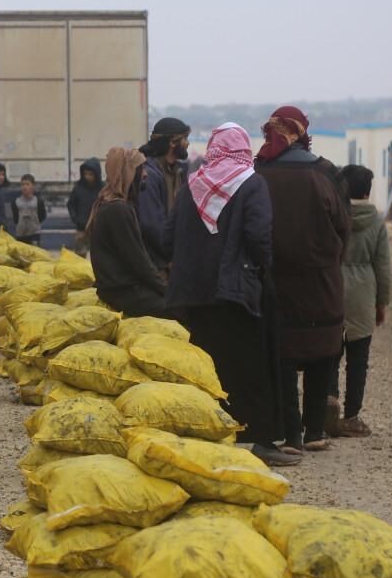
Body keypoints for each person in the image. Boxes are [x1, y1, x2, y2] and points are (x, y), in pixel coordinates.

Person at [167, 123, 294, 467]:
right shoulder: (251, 184)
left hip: (192, 294)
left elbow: (168, 235)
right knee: (251, 367)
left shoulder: (191, 186)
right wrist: (262, 271)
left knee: (206, 368)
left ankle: (209, 435)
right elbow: (258, 235)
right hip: (236, 294)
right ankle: (260, 439)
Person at [254, 105, 350, 454]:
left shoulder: (259, 172)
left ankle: (290, 434)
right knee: (322, 352)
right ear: (302, 132)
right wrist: (331, 260)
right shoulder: (325, 172)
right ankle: (315, 432)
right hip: (321, 281)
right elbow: (344, 226)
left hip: (275, 283)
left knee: (283, 356)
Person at [325, 165, 390, 438]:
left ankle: (329, 401)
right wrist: (381, 302)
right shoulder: (376, 221)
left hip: (333, 287)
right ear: (367, 190)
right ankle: (352, 416)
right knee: (358, 358)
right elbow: (382, 265)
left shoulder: (332, 215)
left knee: (329, 353)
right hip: (364, 292)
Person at [87, 147, 167, 317]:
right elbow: (139, 263)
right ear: (128, 173)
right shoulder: (117, 210)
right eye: (140, 170)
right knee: (180, 310)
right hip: (122, 293)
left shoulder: (110, 203)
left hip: (122, 288)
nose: (145, 175)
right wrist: (168, 290)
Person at [138, 117, 191, 278]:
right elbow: (152, 224)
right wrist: (171, 256)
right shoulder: (150, 175)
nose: (188, 143)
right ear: (172, 142)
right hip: (157, 262)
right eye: (185, 139)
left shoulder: (178, 172)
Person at [66, 158, 102, 255]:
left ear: (96, 174)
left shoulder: (102, 189)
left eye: (90, 174)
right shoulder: (78, 187)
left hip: (98, 230)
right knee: (79, 257)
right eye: (85, 174)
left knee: (99, 257)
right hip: (81, 229)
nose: (87, 177)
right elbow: (71, 204)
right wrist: (76, 219)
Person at [11, 174, 48, 245]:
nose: (25, 187)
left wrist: (35, 222)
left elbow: (42, 215)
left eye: (27, 184)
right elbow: (15, 218)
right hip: (20, 234)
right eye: (22, 184)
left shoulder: (38, 201)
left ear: (33, 186)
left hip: (34, 234)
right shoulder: (16, 201)